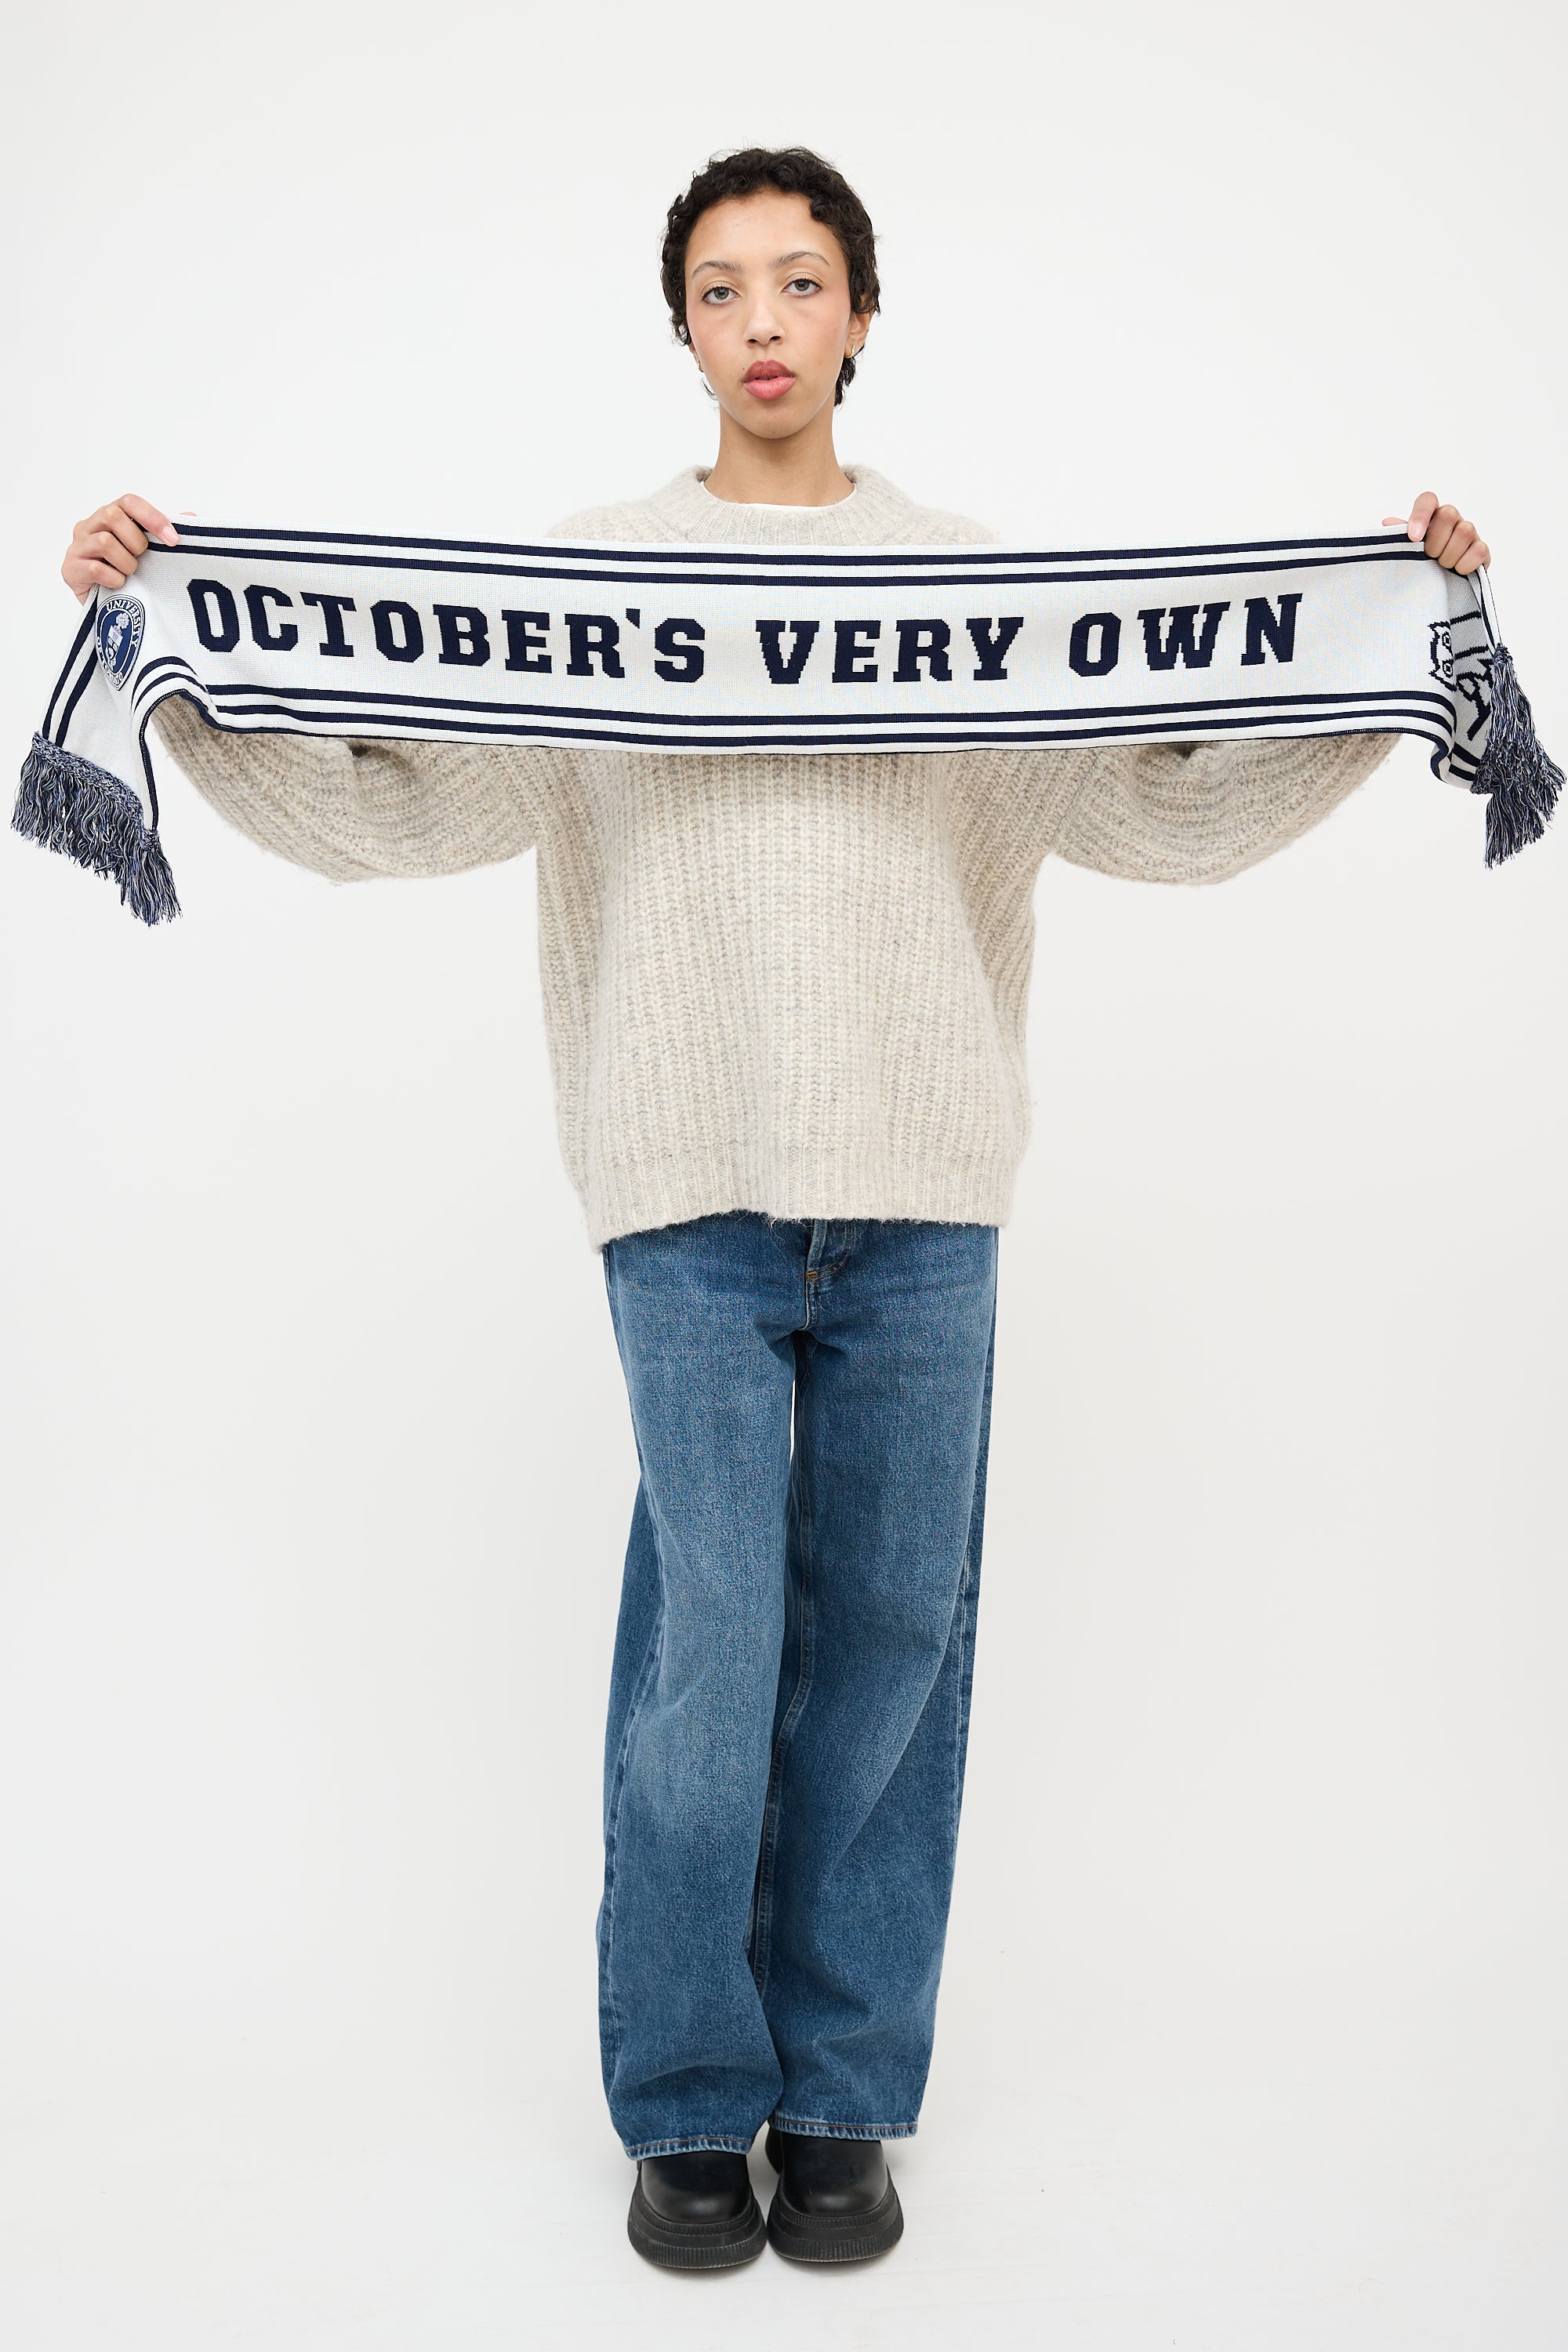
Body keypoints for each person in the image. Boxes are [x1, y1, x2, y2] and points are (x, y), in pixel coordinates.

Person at [60, 146, 1492, 2276]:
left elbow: (1156, 814)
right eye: (723, 285)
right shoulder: (590, 590)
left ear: (859, 318)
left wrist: (1393, 664)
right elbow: (407, 809)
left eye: (800, 281)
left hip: (928, 1187)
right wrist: (170, 661)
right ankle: (683, 2101)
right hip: (684, 1185)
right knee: (712, 1651)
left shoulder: (974, 596)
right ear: (684, 326)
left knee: (898, 1642)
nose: (762, 320)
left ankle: (839, 2098)